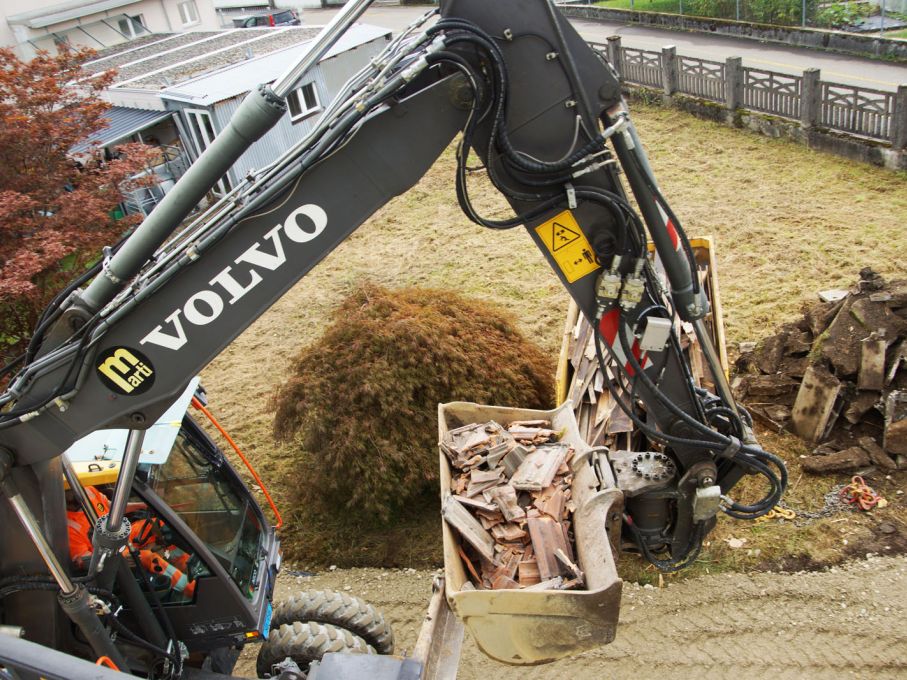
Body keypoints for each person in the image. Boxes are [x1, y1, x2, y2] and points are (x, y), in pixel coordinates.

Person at [66, 485, 197, 600]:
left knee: (163, 526)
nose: (71, 491)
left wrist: (144, 505)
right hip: (110, 554)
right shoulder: (67, 527)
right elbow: (87, 561)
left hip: (122, 533)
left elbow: (110, 505)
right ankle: (191, 589)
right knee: (147, 557)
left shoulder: (87, 491)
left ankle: (188, 568)